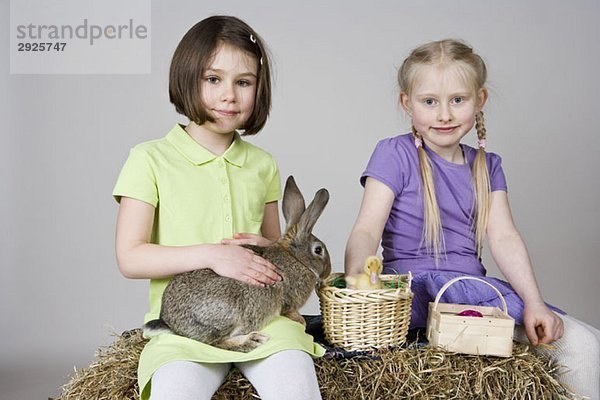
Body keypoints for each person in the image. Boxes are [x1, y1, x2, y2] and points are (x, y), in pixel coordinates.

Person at [344, 39, 600, 399]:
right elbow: (366, 229)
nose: (444, 115)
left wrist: (536, 303)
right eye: (429, 101)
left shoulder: (487, 166)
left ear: (480, 100)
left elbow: (504, 238)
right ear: (407, 103)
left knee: (587, 345)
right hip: (411, 295)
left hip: (473, 293)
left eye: (458, 100)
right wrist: (359, 282)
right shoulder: (393, 154)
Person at [113, 16, 323, 400]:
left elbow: (278, 246)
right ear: (186, 79)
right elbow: (130, 258)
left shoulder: (263, 164)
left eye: (243, 82)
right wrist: (212, 255)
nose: (230, 95)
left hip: (266, 318)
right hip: (186, 327)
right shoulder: (149, 159)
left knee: (296, 385)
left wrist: (267, 244)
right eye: (214, 80)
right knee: (175, 392)